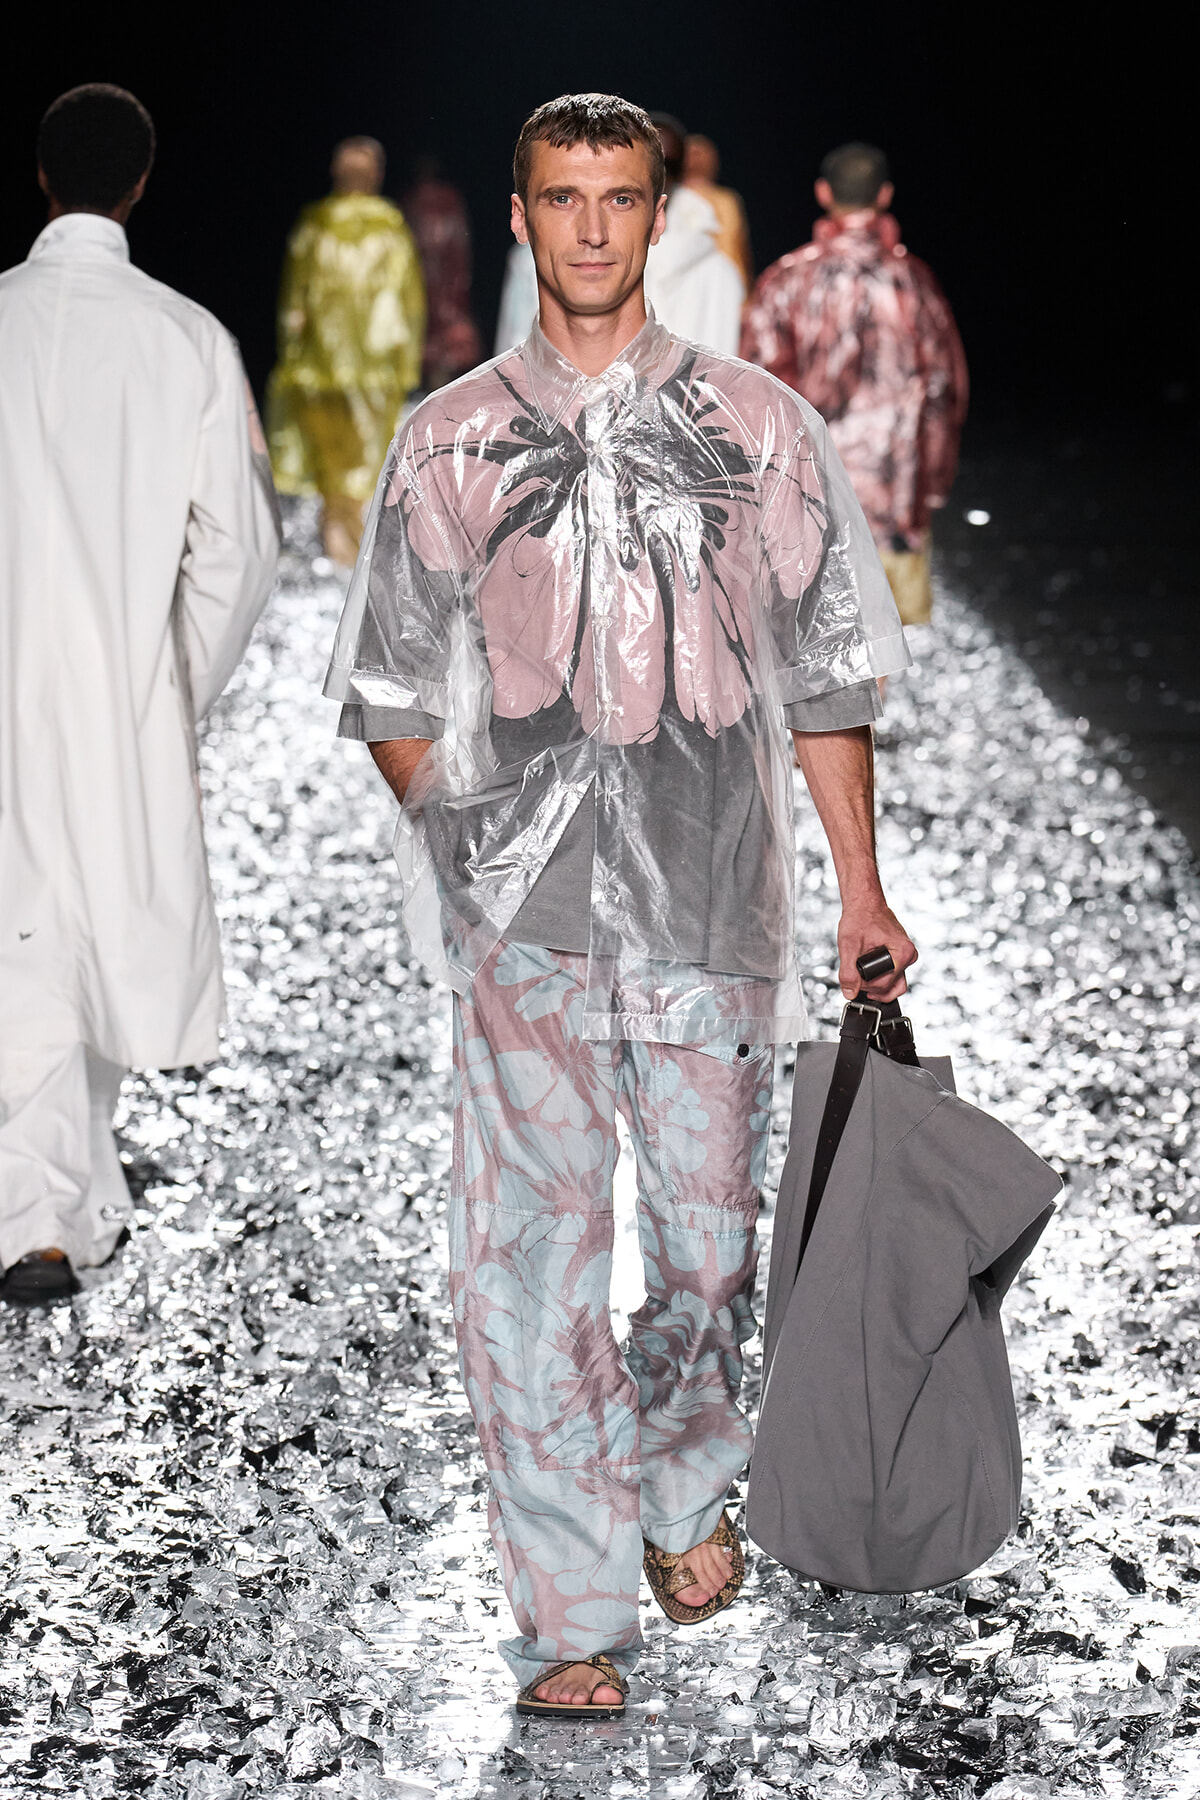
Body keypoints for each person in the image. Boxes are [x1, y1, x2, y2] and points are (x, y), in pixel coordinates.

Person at [325, 92, 915, 1718]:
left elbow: (829, 673)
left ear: (663, 220)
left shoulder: (760, 429)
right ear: (518, 218)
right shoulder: (446, 435)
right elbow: (386, 682)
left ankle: (680, 1478)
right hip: (528, 921)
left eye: (620, 197)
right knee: (528, 1255)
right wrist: (464, 848)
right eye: (561, 198)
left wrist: (861, 882)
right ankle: (574, 1602)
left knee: (711, 1252)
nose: (591, 227)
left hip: (715, 906)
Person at [0, 85, 279, 1304]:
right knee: (90, 918)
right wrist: (173, 680)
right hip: (122, 672)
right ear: (142, 184)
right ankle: (41, 1214)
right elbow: (242, 551)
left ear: (42, 180)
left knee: (27, 927)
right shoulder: (187, 340)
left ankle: (53, 1199)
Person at [740, 142, 967, 625]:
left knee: (819, 644)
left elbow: (753, 390)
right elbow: (944, 391)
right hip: (894, 494)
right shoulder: (914, 282)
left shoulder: (785, 280)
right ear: (885, 194)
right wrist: (933, 487)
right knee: (881, 641)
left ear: (823, 193)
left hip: (808, 497)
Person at [266, 137, 426, 566]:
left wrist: (292, 359)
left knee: (331, 462)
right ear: (374, 175)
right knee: (366, 460)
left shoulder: (315, 225)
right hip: (375, 370)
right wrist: (407, 363)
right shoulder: (390, 228)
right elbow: (410, 303)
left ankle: (340, 545)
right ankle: (352, 555)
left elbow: (292, 305)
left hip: (319, 369)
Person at [643, 113, 745, 354]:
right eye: (649, 162)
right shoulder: (588, 254)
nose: (660, 175)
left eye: (668, 165)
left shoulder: (719, 273)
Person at [402, 155, 482, 391]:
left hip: (445, 281)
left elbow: (459, 245)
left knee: (444, 340)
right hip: (420, 278)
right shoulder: (411, 200)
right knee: (426, 335)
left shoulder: (448, 199)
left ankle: (439, 392)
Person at [682, 133, 753, 290]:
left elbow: (741, 249)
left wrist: (748, 293)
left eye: (703, 153)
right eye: (692, 153)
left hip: (730, 287)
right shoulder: (674, 200)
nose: (697, 158)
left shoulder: (729, 200)